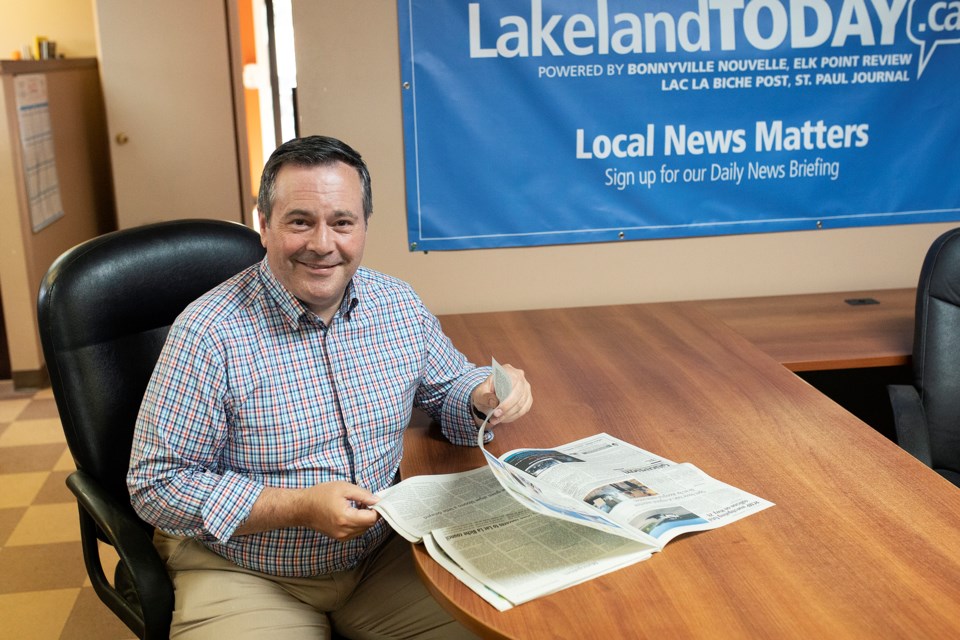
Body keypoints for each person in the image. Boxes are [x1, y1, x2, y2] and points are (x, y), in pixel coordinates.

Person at [127, 135, 533, 639]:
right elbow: (156, 485)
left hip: (383, 557)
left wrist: (483, 397)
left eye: (342, 222)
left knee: (515, 629)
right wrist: (298, 506)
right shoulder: (209, 332)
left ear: (363, 227)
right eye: (300, 221)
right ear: (264, 225)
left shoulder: (397, 303)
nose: (323, 244)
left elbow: (449, 386)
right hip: (247, 570)